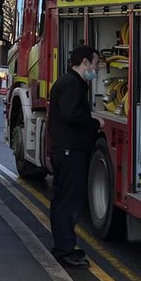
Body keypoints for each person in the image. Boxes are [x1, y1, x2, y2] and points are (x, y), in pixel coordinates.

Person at [47, 45, 102, 269]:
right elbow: (72, 115)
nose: (96, 68)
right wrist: (95, 123)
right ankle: (64, 251)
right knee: (68, 203)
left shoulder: (69, 82)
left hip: (66, 150)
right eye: (95, 63)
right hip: (70, 151)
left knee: (64, 201)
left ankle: (64, 246)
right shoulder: (72, 84)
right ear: (85, 62)